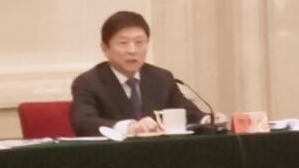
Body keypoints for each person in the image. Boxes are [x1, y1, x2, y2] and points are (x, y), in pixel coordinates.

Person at [71, 11, 208, 136]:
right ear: (105, 49)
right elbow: (84, 123)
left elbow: (187, 112)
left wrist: (208, 120)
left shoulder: (161, 78)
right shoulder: (88, 83)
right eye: (123, 43)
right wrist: (129, 127)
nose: (132, 50)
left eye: (139, 42)